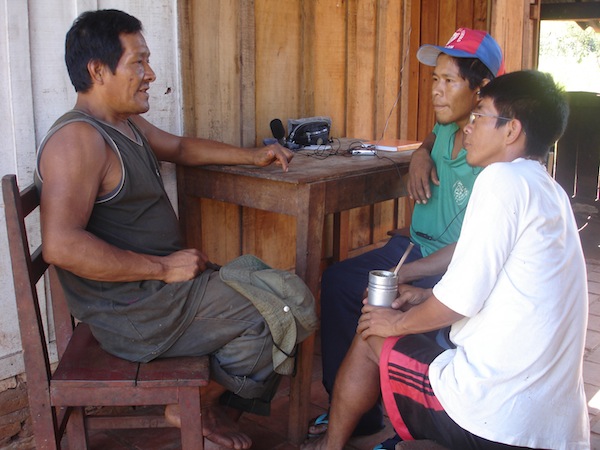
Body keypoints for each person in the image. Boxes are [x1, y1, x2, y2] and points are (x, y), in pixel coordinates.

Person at [34, 9, 305, 450]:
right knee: (284, 304)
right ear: (98, 70)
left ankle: (201, 404)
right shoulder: (78, 140)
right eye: (137, 62)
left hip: (161, 297)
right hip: (136, 312)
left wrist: (251, 155)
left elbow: (178, 147)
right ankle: (196, 403)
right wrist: (162, 268)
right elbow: (61, 246)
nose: (150, 74)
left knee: (279, 296)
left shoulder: (123, 123)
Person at [302, 70, 590, 450]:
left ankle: (332, 446)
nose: (467, 129)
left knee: (371, 330)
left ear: (511, 131)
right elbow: (488, 274)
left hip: (497, 417)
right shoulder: (547, 190)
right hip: (552, 427)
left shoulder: (500, 181)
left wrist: (396, 322)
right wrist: (422, 297)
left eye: (479, 116)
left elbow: (458, 302)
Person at [312, 28, 504, 446]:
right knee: (340, 282)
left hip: (449, 263)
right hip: (414, 245)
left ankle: (399, 417)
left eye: (448, 81)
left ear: (481, 89)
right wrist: (422, 149)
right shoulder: (450, 129)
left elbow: (478, 251)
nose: (436, 91)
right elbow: (436, 132)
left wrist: (410, 273)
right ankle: (355, 414)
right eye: (434, 79)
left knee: (381, 301)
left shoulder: (491, 155)